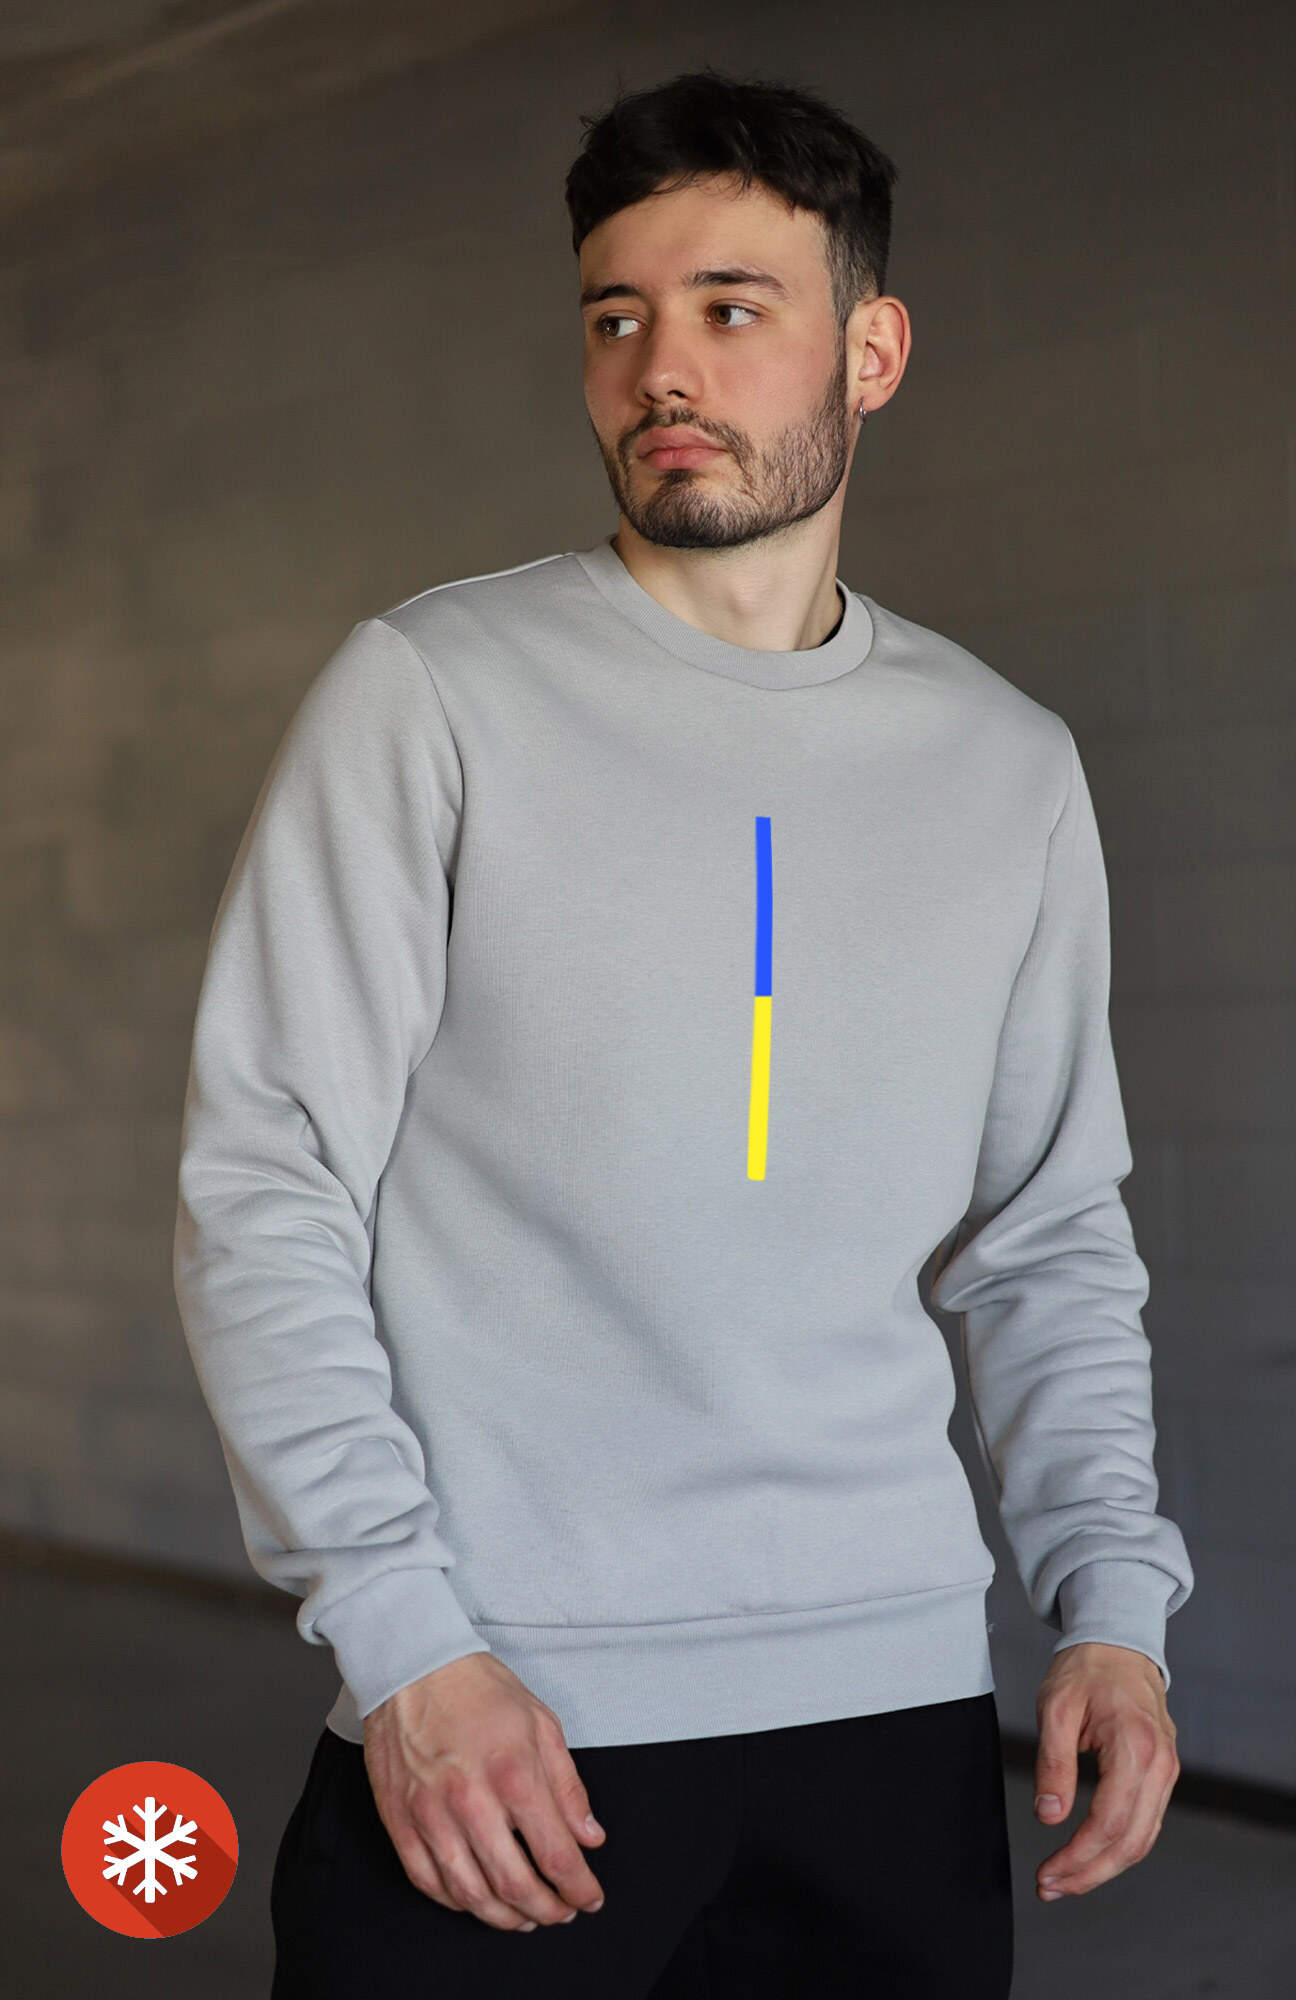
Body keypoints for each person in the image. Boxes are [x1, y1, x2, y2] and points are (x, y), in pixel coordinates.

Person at [174, 69, 1193, 2000]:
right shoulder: (431, 695)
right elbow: (267, 1186)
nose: (662, 368)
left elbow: (1045, 1241)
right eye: (616, 317)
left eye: (732, 308)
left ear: (870, 350)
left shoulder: (1005, 764)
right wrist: (404, 1642)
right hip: (504, 1718)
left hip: (890, 1720)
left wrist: (1112, 1607)